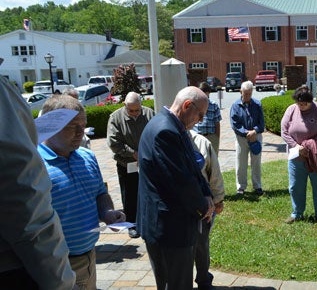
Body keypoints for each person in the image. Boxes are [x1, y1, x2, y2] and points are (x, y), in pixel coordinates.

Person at [37, 95, 125, 289]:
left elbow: (100, 193)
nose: (80, 133)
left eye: (83, 125)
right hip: (55, 265)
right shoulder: (34, 166)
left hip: (89, 256)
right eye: (72, 126)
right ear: (50, 126)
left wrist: (107, 213)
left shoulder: (87, 156)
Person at [0, 76, 76, 290]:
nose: (80, 132)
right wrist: (63, 284)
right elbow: (24, 204)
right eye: (72, 126)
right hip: (20, 268)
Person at [137, 86, 215, 290]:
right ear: (187, 105)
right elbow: (180, 181)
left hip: (172, 225)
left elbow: (193, 168)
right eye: (200, 115)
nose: (200, 120)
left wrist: (207, 194)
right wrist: (203, 207)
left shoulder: (172, 126)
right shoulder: (165, 131)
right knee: (176, 284)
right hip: (168, 228)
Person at [281, 85, 317, 224]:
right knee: (295, 186)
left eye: (304, 104)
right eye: (299, 103)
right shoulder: (291, 110)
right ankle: (297, 213)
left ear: (311, 101)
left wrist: (309, 147)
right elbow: (284, 131)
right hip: (296, 157)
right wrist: (297, 147)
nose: (302, 106)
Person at [107, 92, 155, 238]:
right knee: (129, 195)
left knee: (148, 193)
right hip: (126, 164)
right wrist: (133, 153)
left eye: (137, 110)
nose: (134, 113)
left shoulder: (149, 114)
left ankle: (147, 221)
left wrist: (146, 153)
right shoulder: (115, 118)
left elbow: (156, 134)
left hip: (147, 163)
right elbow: (113, 143)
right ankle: (132, 224)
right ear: (124, 106)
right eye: (131, 110)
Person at [188, 131, 225, 289]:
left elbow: (214, 173)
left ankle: (203, 280)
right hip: (179, 207)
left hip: (203, 207)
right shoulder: (168, 141)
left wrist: (218, 198)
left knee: (201, 245)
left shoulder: (202, 143)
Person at [230, 81, 265, 195]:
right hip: (242, 138)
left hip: (256, 136)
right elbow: (235, 124)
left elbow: (261, 123)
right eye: (245, 94)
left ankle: (257, 186)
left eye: (249, 94)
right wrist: (246, 133)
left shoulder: (257, 104)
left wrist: (254, 131)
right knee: (241, 162)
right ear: (240, 92)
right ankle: (241, 186)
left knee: (256, 162)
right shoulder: (235, 105)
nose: (247, 96)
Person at [193, 82, 222, 154]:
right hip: (198, 136)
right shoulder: (194, 105)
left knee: (212, 161)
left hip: (211, 136)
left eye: (205, 92)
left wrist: (217, 139)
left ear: (208, 93)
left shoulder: (214, 105)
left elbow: (217, 123)